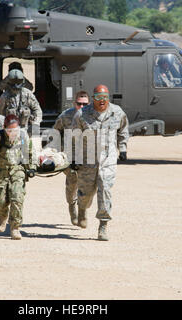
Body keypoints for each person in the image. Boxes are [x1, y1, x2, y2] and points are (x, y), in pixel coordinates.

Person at [72, 85, 129, 241]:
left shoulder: (117, 112)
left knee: (105, 189)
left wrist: (122, 149)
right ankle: (82, 208)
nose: (102, 101)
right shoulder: (82, 114)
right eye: (98, 98)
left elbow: (123, 130)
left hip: (108, 158)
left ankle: (103, 225)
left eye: (105, 98)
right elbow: (74, 136)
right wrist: (73, 158)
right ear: (93, 98)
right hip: (87, 158)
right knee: (85, 192)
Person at [53, 90, 90, 226]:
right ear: (74, 103)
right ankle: (72, 207)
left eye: (84, 104)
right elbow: (55, 131)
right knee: (72, 186)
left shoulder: (92, 116)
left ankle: (83, 212)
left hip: (87, 156)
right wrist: (57, 152)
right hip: (70, 157)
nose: (81, 106)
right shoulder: (66, 116)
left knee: (87, 186)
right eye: (79, 103)